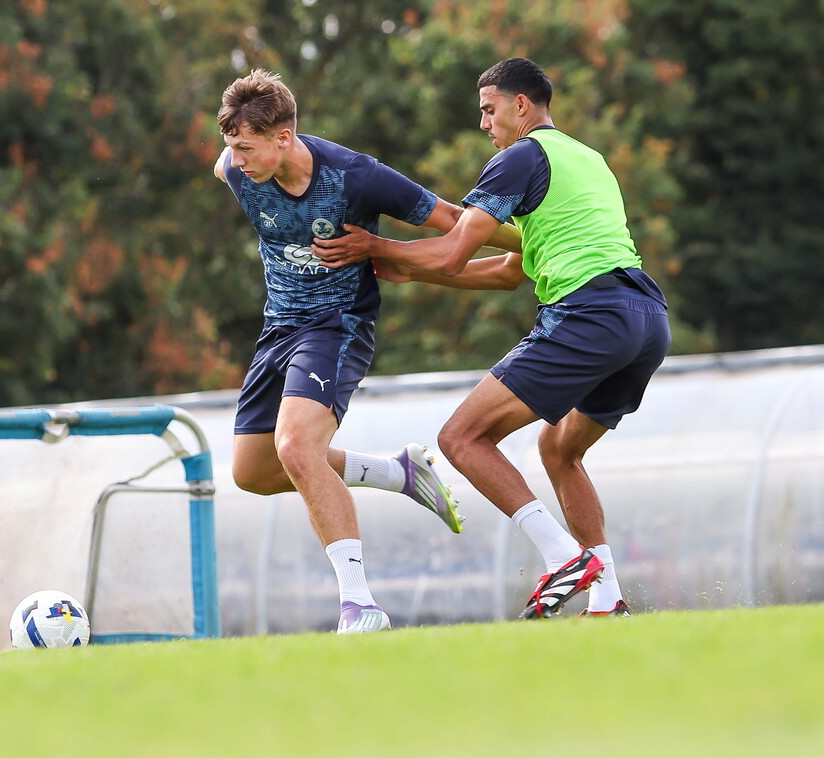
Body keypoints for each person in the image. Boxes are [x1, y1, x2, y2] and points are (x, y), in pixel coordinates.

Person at [313, 57, 671, 619]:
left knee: (461, 438)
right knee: (561, 448)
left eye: (488, 109)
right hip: (646, 318)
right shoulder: (588, 159)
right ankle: (607, 600)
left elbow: (456, 248)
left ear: (520, 106)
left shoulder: (519, 158)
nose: (485, 124)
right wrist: (410, 269)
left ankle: (564, 560)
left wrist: (381, 249)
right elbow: (510, 270)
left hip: (590, 313)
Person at [213, 69, 522, 633]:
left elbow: (458, 222)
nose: (235, 159)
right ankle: (396, 472)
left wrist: (534, 241)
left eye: (245, 146)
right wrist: (235, 157)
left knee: (297, 447)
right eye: (230, 146)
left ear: (284, 137)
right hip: (277, 329)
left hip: (337, 326)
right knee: (253, 471)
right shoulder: (235, 170)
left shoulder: (356, 176)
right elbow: (227, 167)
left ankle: (360, 606)